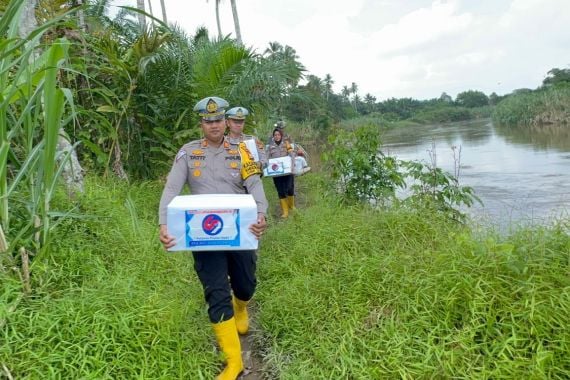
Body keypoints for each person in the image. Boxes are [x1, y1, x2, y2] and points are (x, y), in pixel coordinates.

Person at [158, 96, 268, 380]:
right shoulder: (189, 152)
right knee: (216, 292)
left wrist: (261, 214)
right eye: (209, 121)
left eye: (219, 120)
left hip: (240, 230)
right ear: (202, 124)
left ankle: (241, 306)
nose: (215, 125)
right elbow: (171, 190)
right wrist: (164, 225)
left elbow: (254, 184)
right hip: (203, 233)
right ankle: (234, 363)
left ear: (225, 121)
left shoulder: (242, 150)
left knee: (246, 283)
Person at [267, 127, 296, 218]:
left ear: (281, 135)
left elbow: (292, 155)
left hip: (288, 172)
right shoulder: (270, 147)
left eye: (278, 134)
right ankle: (285, 211)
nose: (277, 136)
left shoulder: (286, 144)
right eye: (275, 135)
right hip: (276, 173)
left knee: (289, 188)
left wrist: (292, 166)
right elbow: (266, 158)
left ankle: (292, 206)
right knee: (280, 191)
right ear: (273, 136)